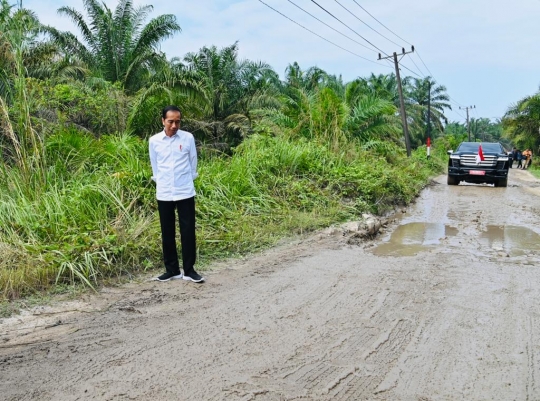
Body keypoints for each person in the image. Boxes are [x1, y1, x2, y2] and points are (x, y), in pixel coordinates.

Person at [148, 105, 204, 283]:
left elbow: (193, 163)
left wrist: (186, 180)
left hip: (185, 190)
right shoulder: (154, 141)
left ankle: (189, 270)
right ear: (163, 120)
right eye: (170, 121)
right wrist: (162, 182)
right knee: (167, 232)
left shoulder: (188, 138)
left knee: (188, 231)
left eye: (177, 121)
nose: (174, 125)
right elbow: (155, 166)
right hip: (164, 192)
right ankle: (172, 270)